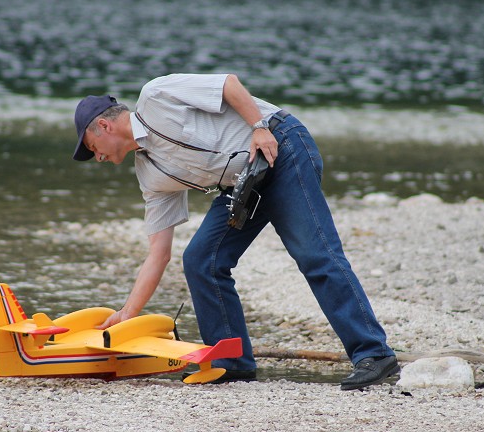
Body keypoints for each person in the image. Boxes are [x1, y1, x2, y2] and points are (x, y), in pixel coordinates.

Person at [72, 73, 399, 389]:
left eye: (92, 147)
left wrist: (258, 127)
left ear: (104, 125)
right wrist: (127, 313)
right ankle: (232, 361)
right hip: (246, 185)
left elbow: (228, 84)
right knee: (201, 260)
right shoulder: (151, 174)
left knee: (314, 255)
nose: (96, 157)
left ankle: (374, 354)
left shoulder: (157, 95)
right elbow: (159, 252)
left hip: (282, 147)